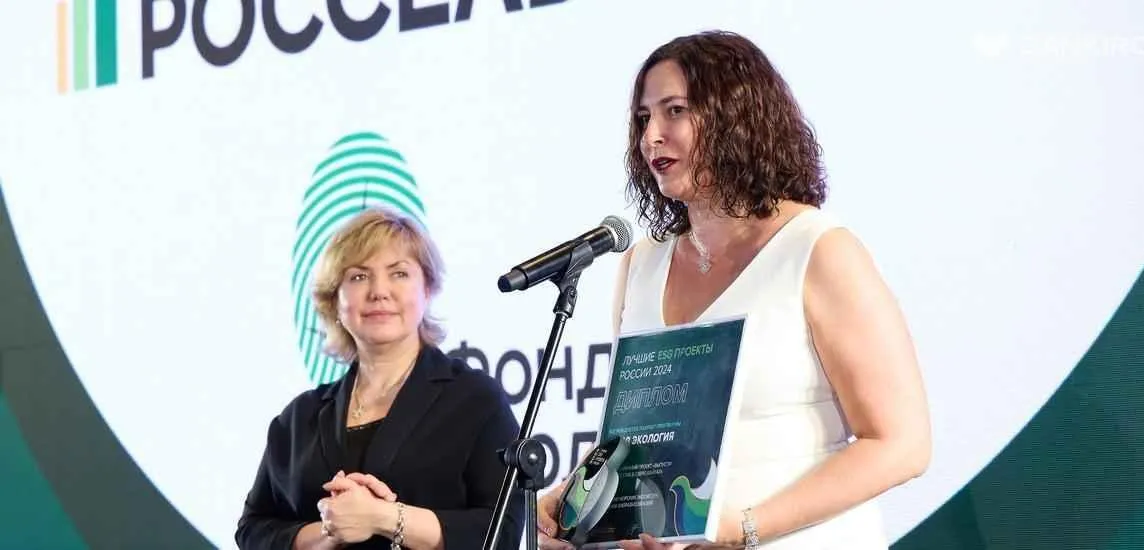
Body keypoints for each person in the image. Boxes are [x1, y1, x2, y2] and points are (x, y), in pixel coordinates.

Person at [536, 30, 931, 549]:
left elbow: (901, 444)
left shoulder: (818, 250)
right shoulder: (640, 264)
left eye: (675, 111)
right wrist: (567, 501)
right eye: (643, 118)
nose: (652, 136)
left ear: (736, 116)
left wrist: (742, 529)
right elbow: (636, 440)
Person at [236, 207, 523, 550]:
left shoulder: (475, 400)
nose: (379, 291)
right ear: (334, 300)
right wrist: (330, 531)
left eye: (399, 273)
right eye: (359, 277)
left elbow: (504, 531)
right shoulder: (298, 419)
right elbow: (252, 531)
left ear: (427, 289)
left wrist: (383, 518)